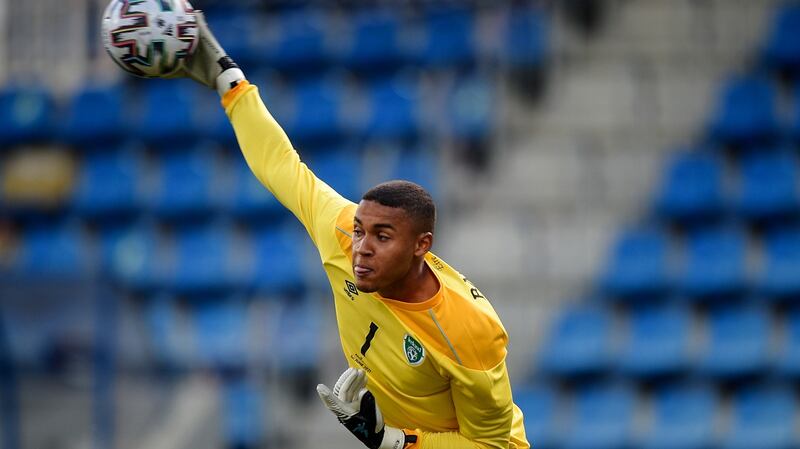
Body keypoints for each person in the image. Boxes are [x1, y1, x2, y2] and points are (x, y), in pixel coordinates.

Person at [171, 11, 530, 449]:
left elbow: (493, 447)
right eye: (360, 230)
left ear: (422, 246)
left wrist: (393, 441)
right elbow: (282, 166)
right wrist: (229, 82)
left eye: (382, 236)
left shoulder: (469, 330)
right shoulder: (342, 235)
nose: (360, 247)